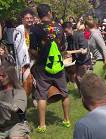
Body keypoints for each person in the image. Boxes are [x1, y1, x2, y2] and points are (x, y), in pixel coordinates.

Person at [29, 4, 70, 132]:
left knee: (42, 95)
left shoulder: (34, 29)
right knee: (64, 93)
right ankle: (66, 120)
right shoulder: (59, 27)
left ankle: (42, 125)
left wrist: (37, 56)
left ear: (39, 15)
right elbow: (63, 47)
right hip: (58, 65)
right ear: (50, 13)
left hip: (42, 66)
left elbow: (33, 49)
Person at [0, 65, 31, 139]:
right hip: (2, 126)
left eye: (3, 76)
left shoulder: (19, 92)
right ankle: (6, 138)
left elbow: (19, 110)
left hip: (17, 123)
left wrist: (3, 104)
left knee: (15, 138)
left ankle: (26, 138)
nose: (0, 78)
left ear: (11, 77)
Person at [63, 22, 91, 89]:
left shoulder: (80, 35)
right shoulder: (69, 38)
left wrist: (71, 52)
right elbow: (70, 50)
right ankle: (83, 95)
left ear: (70, 28)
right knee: (78, 79)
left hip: (85, 61)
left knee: (83, 80)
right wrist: (68, 55)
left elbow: (84, 50)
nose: (65, 33)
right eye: (64, 32)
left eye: (66, 31)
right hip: (77, 62)